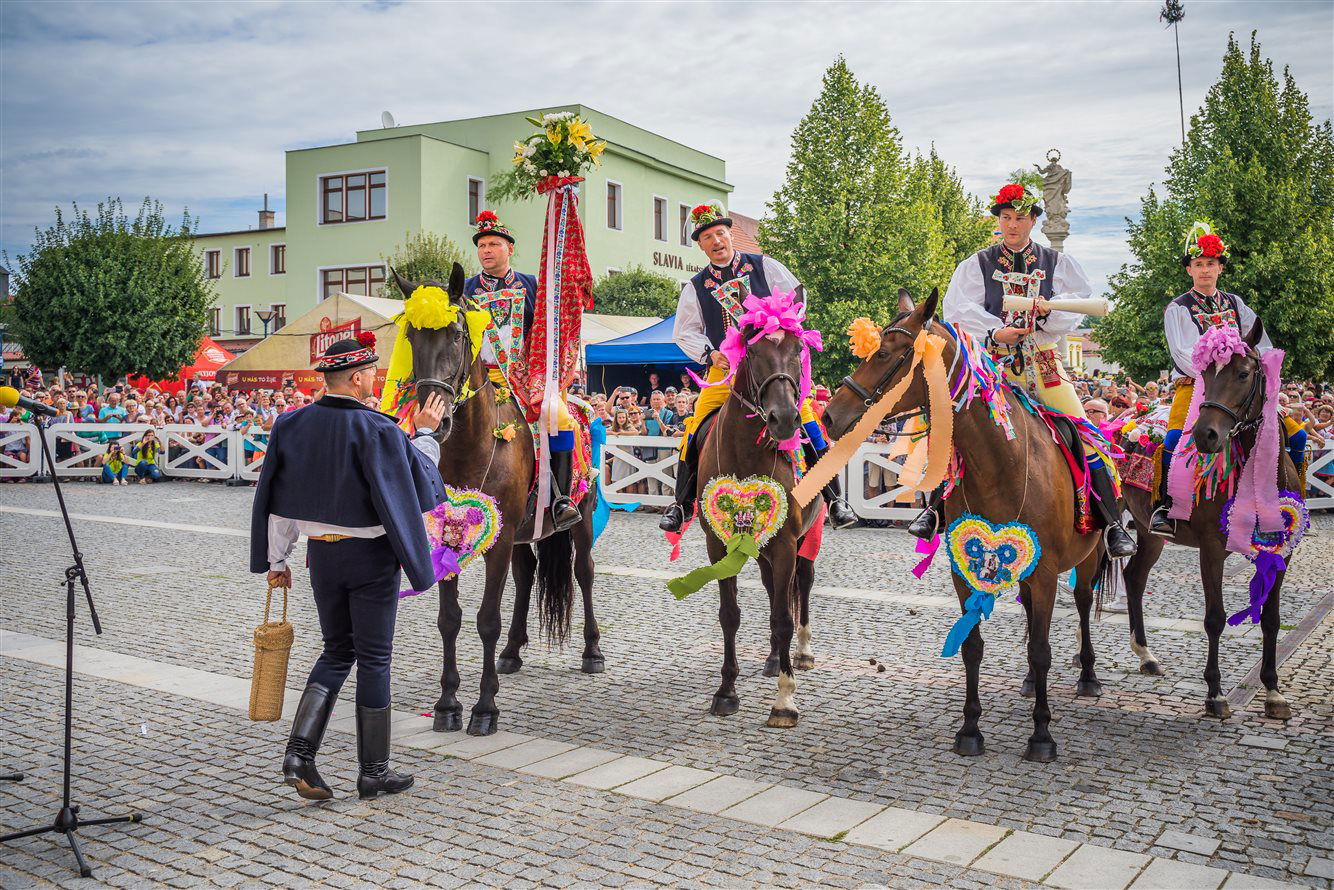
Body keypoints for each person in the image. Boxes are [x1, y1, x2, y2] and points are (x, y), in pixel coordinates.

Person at [252, 335, 448, 801]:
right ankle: (374, 772)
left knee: (337, 650)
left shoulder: (291, 424)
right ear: (357, 377)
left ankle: (299, 755)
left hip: (321, 554)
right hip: (370, 558)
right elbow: (421, 486)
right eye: (372, 373)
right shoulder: (379, 428)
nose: (375, 379)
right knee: (374, 658)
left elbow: (278, 500)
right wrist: (424, 433)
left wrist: (277, 560)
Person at [929, 178, 1135, 558]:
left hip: (1044, 362)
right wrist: (995, 332)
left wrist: (1049, 309)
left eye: (1020, 217)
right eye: (1006, 217)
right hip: (994, 366)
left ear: (1034, 220)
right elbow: (958, 310)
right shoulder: (978, 263)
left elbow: (1081, 300)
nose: (1012, 224)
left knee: (1086, 431)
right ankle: (934, 508)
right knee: (958, 425)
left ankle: (1112, 523)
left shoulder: (1056, 262)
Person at [660, 200, 857, 532]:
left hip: (770, 361)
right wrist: (710, 354)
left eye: (720, 233)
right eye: (707, 237)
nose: (716, 242)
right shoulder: (695, 287)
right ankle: (681, 503)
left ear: (730, 234)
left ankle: (836, 498)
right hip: (726, 367)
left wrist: (780, 324)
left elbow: (797, 297)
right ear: (700, 244)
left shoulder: (763, 265)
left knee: (805, 417)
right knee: (696, 424)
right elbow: (684, 331)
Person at [1149, 222, 1275, 534]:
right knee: (1173, 438)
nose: (1205, 270)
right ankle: (1165, 508)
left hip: (1238, 386)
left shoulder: (1236, 303)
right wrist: (1214, 372)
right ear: (1189, 270)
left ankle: (1283, 496)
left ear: (1220, 268)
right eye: (1198, 265)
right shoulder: (1178, 308)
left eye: (1211, 264)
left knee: (1291, 433)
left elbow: (1263, 344)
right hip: (1195, 385)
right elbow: (1182, 353)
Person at [462, 210, 579, 531]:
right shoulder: (466, 291)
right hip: (480, 379)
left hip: (527, 380)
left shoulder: (533, 286)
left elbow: (551, 332)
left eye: (494, 244)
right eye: (482, 245)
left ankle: (561, 497)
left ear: (509, 248)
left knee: (560, 417)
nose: (486, 250)